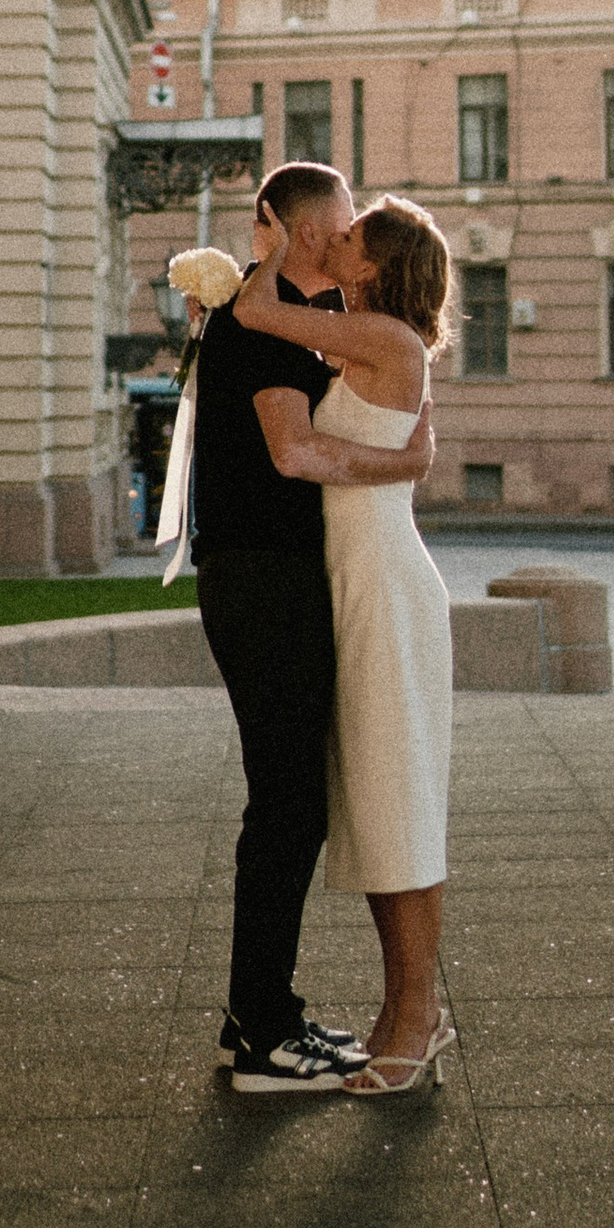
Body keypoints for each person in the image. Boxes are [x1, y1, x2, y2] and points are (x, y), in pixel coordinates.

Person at [188, 163, 436, 1093]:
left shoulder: (297, 327)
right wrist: (403, 461)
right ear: (293, 234)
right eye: (332, 232)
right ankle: (260, 1030)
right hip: (261, 580)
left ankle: (262, 1014)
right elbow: (294, 451)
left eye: (351, 237)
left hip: (281, 579)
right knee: (287, 805)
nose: (341, 247)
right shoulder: (265, 331)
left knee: (292, 802)